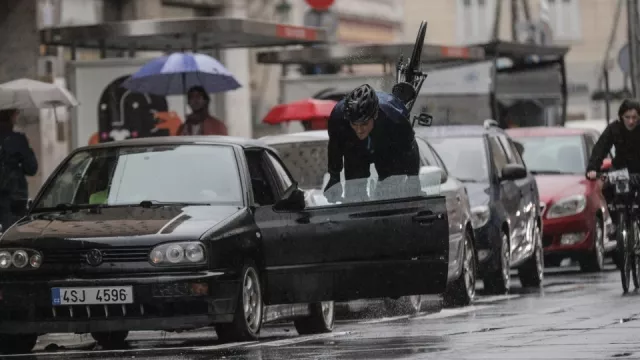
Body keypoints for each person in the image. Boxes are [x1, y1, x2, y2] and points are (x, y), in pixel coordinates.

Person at [323, 84, 421, 202]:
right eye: (354, 124)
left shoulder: (395, 118)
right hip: (356, 150)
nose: (359, 130)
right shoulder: (338, 117)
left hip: (387, 148)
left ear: (374, 115)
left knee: (389, 195)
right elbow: (335, 147)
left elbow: (409, 149)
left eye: (364, 124)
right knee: (354, 196)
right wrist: (334, 177)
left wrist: (413, 178)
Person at [586, 99, 640, 234]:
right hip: (620, 169)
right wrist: (593, 169)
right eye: (627, 117)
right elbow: (600, 148)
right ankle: (615, 221)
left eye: (634, 117)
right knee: (606, 188)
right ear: (621, 117)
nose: (631, 121)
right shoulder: (613, 129)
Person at [0, 109, 38, 231]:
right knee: (13, 234)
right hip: (15, 197)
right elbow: (31, 168)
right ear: (11, 115)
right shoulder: (18, 140)